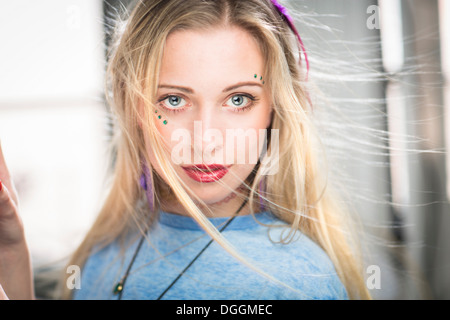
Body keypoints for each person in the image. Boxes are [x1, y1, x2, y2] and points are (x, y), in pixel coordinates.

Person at [0, 0, 371, 300]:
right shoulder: (106, 252)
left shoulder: (298, 280)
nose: (205, 138)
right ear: (136, 110)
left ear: (276, 110)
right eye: (174, 100)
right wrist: (12, 255)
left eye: (239, 99)